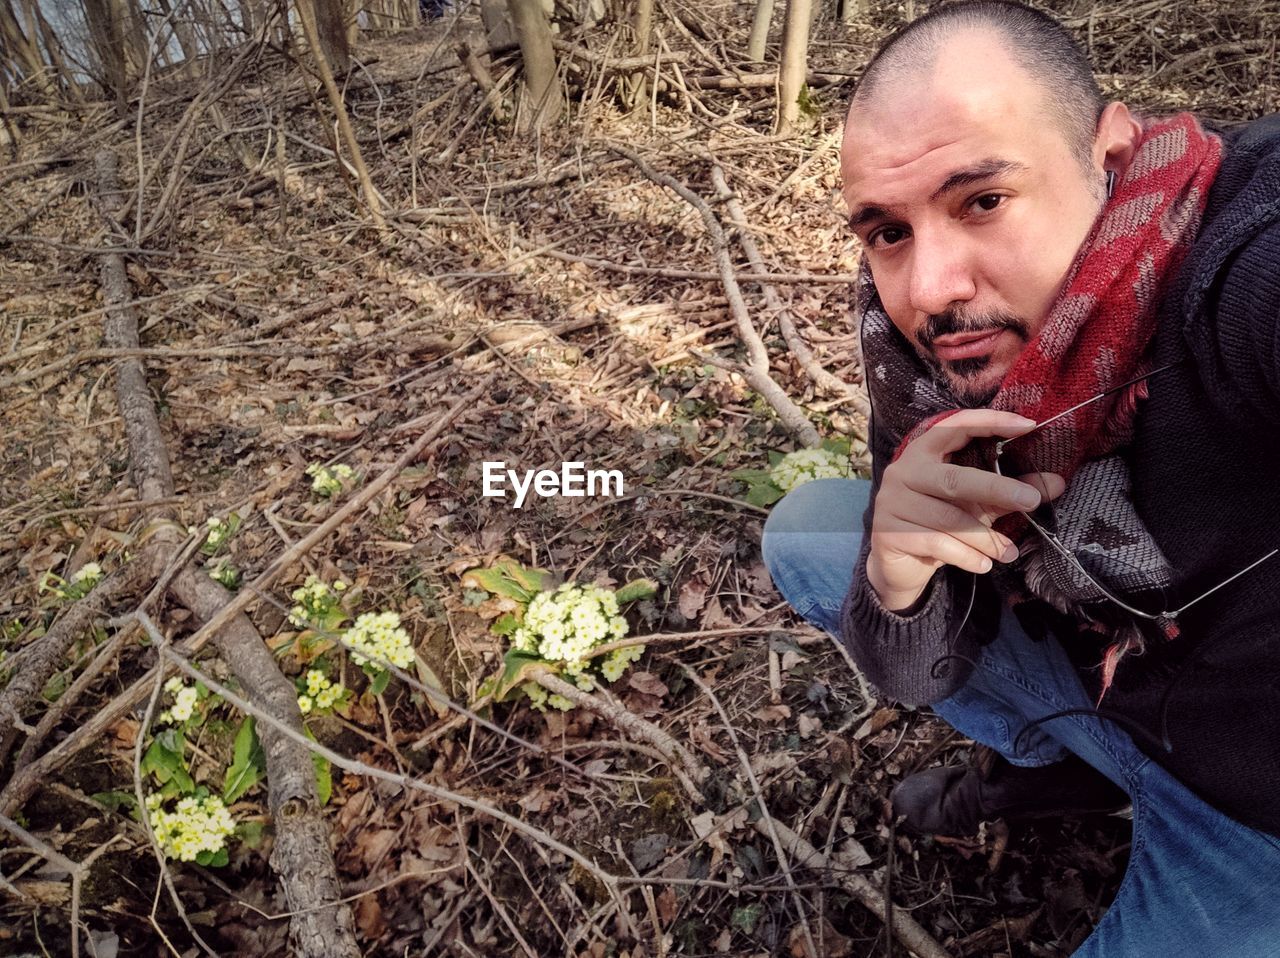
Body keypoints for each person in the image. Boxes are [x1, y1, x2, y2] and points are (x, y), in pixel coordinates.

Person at [761, 1, 1280, 954]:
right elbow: (914, 667)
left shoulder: (1233, 257)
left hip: (1258, 804)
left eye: (983, 201)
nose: (930, 288)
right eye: (886, 231)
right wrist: (896, 581)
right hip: (1113, 693)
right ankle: (1060, 766)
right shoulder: (920, 357)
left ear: (1112, 157)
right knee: (810, 533)